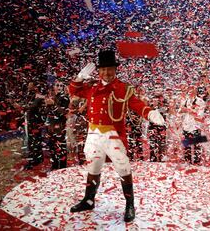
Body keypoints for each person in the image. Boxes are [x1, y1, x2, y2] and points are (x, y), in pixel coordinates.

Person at [68, 50, 165, 222]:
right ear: (98, 71)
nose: (106, 72)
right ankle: (89, 200)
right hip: (94, 134)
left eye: (110, 68)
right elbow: (73, 90)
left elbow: (136, 104)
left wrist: (150, 113)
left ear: (115, 69)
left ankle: (129, 204)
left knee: (123, 169)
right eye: (103, 69)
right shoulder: (92, 87)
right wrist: (80, 77)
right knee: (93, 168)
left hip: (113, 135)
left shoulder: (123, 88)